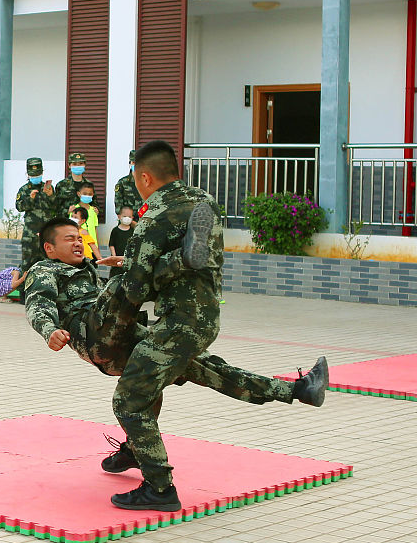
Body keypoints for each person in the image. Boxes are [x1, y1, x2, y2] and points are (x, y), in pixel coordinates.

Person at [24, 214, 329, 511]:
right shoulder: (44, 269)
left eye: (80, 238)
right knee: (127, 283)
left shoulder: (89, 267)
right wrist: (49, 330)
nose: (78, 243)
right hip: (94, 335)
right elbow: (38, 303)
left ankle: (297, 390)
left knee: (206, 365)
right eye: (69, 239)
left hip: (126, 338)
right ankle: (181, 255)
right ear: (50, 248)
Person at [102, 141, 329, 510]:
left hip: (177, 322)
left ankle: (159, 489)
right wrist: (136, 263)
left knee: (129, 398)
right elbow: (202, 258)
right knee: (212, 373)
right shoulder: (203, 200)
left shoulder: (153, 217)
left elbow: (133, 291)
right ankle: (300, 389)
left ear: (144, 177)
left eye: (134, 177)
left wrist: (130, 280)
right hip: (206, 314)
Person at [14, 157, 57, 268]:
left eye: (37, 175)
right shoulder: (24, 190)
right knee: (27, 264)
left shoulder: (48, 188)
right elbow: (19, 207)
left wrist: (51, 195)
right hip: (30, 234)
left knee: (48, 264)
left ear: (42, 172)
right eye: (33, 176)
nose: (36, 177)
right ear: (28, 174)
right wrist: (30, 198)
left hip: (46, 233)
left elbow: (55, 207)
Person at [55, 151, 96, 219]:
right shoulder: (61, 185)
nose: (78, 166)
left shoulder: (89, 184)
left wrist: (96, 210)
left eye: (80, 164)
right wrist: (67, 211)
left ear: (84, 165)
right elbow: (55, 207)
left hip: (85, 222)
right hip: (66, 222)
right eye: (74, 164)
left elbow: (94, 204)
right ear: (69, 165)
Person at [107, 206, 136, 279]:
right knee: (115, 278)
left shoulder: (133, 231)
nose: (127, 218)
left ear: (132, 218)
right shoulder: (115, 230)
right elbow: (111, 244)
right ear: (119, 217)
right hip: (117, 261)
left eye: (129, 216)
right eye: (125, 216)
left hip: (128, 260)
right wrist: (114, 256)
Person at [112, 150, 141, 220]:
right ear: (130, 164)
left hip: (143, 222)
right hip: (126, 221)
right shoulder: (122, 182)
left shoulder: (147, 182)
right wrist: (129, 221)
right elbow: (118, 205)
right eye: (134, 162)